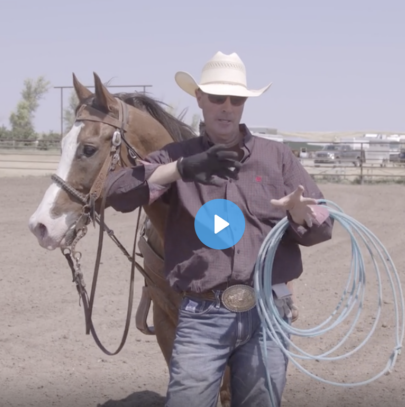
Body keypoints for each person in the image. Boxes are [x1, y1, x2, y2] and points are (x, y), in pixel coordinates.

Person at [103, 51, 334, 407]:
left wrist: (302, 215)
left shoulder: (277, 158)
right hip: (202, 316)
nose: (226, 106)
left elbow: (324, 228)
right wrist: (181, 169)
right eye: (217, 97)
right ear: (199, 99)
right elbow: (118, 193)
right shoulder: (174, 156)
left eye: (236, 99)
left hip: (267, 315)